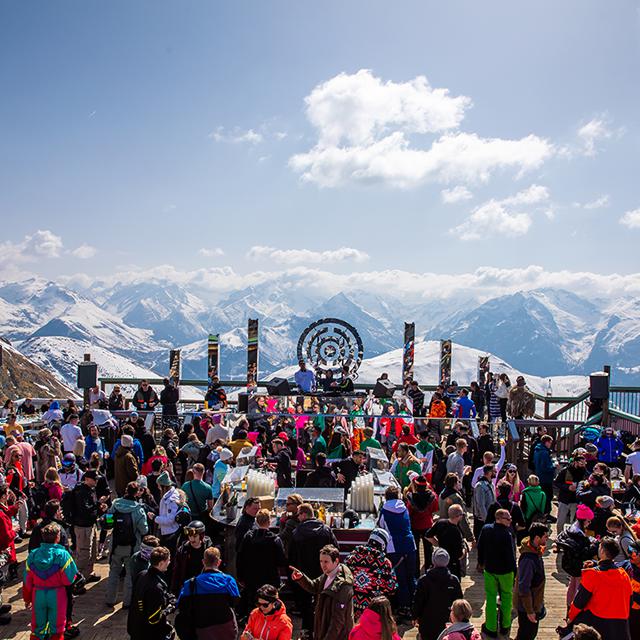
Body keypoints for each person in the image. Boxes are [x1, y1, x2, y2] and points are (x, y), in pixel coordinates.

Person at [562, 537, 633, 640]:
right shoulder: (624, 575)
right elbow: (630, 600)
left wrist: (570, 618)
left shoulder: (593, 575)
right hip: (620, 626)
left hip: (598, 624)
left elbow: (579, 602)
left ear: (602, 551)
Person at [23, 523, 79, 640]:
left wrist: (27, 598)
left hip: (38, 594)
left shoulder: (33, 555)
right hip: (57, 595)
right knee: (57, 629)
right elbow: (68, 580)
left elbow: (27, 580)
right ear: (58, 537)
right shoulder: (63, 555)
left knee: (37, 628)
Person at [288, 503, 338, 634]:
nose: (297, 517)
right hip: (323, 573)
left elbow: (291, 556)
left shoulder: (297, 532)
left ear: (304, 514)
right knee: (323, 604)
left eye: (298, 515)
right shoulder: (326, 530)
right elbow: (335, 550)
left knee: (306, 607)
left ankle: (307, 631)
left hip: (304, 575)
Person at [290, 544, 354, 640]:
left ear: (336, 561)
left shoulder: (343, 585)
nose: (323, 565)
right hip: (323, 628)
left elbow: (338, 620)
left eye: (326, 562)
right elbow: (314, 586)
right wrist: (301, 578)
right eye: (321, 561)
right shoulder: (328, 574)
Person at [105, 481, 149, 607]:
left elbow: (108, 520)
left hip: (116, 545)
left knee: (114, 572)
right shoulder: (138, 509)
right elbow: (144, 530)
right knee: (130, 575)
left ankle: (110, 600)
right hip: (132, 547)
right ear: (136, 493)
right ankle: (127, 602)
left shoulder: (115, 504)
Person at [477, 508, 517, 638]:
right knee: (507, 598)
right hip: (506, 572)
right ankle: (505, 626)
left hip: (490, 569)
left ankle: (491, 627)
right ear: (498, 518)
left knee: (490, 598)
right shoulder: (507, 534)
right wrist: (515, 571)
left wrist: (481, 562)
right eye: (508, 519)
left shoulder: (486, 529)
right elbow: (511, 555)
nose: (510, 521)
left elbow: (480, 547)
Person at [377, 485, 416, 617]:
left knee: (400, 578)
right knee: (411, 576)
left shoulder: (384, 511)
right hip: (410, 545)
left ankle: (404, 607)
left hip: (394, 547)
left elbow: (381, 527)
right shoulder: (404, 508)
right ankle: (414, 605)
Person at [238, 508, 288, 608]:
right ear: (269, 521)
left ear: (256, 521)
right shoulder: (275, 539)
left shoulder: (248, 537)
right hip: (270, 578)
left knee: (252, 605)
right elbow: (281, 561)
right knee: (268, 605)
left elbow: (240, 557)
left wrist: (240, 576)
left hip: (251, 578)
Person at [344, 528, 398, 620]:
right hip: (374, 610)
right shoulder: (384, 563)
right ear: (383, 545)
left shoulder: (352, 557)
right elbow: (391, 587)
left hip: (351, 608)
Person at [412, 547, 463, 640]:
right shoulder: (454, 580)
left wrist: (415, 616)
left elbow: (418, 601)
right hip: (448, 623)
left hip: (427, 622)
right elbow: (459, 601)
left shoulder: (424, 580)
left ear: (433, 561)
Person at [127, 546, 174, 640]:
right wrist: (169, 609)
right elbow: (154, 618)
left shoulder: (142, 574)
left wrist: (167, 597)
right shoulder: (156, 587)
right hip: (148, 633)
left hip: (135, 626)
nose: (169, 562)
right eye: (168, 560)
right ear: (161, 563)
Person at [556, 504, 598, 607]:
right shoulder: (578, 535)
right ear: (583, 520)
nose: (589, 524)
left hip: (570, 563)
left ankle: (569, 605)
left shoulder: (571, 530)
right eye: (588, 521)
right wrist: (595, 545)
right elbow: (584, 553)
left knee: (572, 585)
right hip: (578, 565)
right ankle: (576, 608)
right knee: (579, 587)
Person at [69, 469, 107, 582]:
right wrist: (98, 504)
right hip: (83, 527)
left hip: (90, 525)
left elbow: (91, 509)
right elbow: (85, 510)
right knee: (84, 555)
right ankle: (76, 580)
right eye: (95, 479)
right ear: (87, 479)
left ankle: (88, 574)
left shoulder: (90, 490)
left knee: (93, 553)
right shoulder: (81, 492)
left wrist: (99, 508)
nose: (96, 481)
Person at [513, 522, 549, 640]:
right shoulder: (528, 560)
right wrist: (529, 611)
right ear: (537, 538)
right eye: (545, 536)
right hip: (527, 606)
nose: (547, 538)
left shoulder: (535, 550)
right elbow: (524, 587)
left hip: (534, 602)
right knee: (526, 635)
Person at [405, 474, 438, 572]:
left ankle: (416, 572)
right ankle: (428, 570)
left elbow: (408, 512)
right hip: (427, 525)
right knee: (428, 549)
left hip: (414, 526)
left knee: (415, 550)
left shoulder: (411, 498)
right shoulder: (433, 496)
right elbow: (435, 508)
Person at [170, 520, 212, 595]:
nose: (191, 539)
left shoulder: (209, 550)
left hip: (204, 588)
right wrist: (174, 591)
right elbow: (176, 572)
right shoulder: (183, 550)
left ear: (201, 536)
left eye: (195, 536)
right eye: (189, 536)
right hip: (187, 588)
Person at [426, 505, 467, 580]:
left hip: (441, 558)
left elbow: (428, 536)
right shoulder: (456, 532)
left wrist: (438, 544)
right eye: (462, 514)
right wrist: (465, 549)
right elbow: (460, 555)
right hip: (453, 563)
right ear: (458, 516)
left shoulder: (440, 522)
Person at [151, 471, 184, 557]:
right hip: (167, 531)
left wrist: (155, 518)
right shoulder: (170, 494)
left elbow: (170, 520)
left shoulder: (171, 500)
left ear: (164, 486)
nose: (158, 488)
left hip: (170, 533)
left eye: (159, 486)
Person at [555, 454, 588, 533]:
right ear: (575, 462)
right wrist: (567, 487)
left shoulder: (585, 472)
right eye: (581, 463)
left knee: (574, 522)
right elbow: (557, 482)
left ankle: (571, 536)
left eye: (584, 463)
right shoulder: (565, 471)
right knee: (560, 522)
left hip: (576, 500)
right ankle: (559, 536)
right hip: (564, 499)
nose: (583, 465)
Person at [533, 435, 555, 515]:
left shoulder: (537, 450)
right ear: (546, 442)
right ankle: (546, 513)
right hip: (546, 478)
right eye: (550, 442)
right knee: (548, 496)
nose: (550, 444)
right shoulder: (544, 452)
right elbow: (545, 467)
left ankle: (542, 512)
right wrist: (554, 466)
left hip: (540, 476)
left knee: (542, 496)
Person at [472, 464, 496, 540]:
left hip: (491, 519)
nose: (496, 472)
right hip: (482, 521)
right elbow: (480, 505)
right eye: (494, 471)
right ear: (489, 472)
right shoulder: (480, 486)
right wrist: (487, 520)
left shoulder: (491, 484)